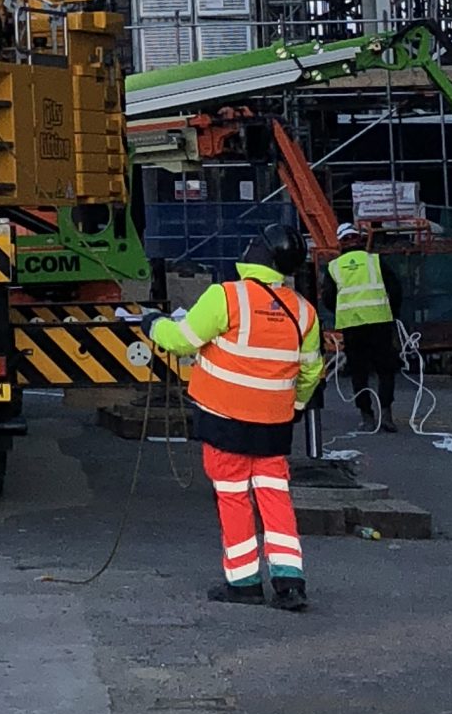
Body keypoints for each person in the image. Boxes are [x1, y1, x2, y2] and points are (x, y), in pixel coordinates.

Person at [149, 239, 324, 612]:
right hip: (274, 426)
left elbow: (181, 342)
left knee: (233, 496)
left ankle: (244, 582)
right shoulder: (304, 312)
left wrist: (154, 325)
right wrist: (292, 405)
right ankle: (290, 582)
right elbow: (311, 370)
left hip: (223, 420)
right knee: (275, 497)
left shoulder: (226, 297)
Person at [327, 221, 403, 432]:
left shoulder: (335, 267)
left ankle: (367, 416)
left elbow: (327, 298)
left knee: (359, 372)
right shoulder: (375, 261)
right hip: (379, 322)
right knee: (385, 369)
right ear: (359, 239)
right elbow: (395, 288)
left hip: (352, 325)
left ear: (341, 243)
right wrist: (392, 313)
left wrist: (345, 309)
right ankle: (386, 414)